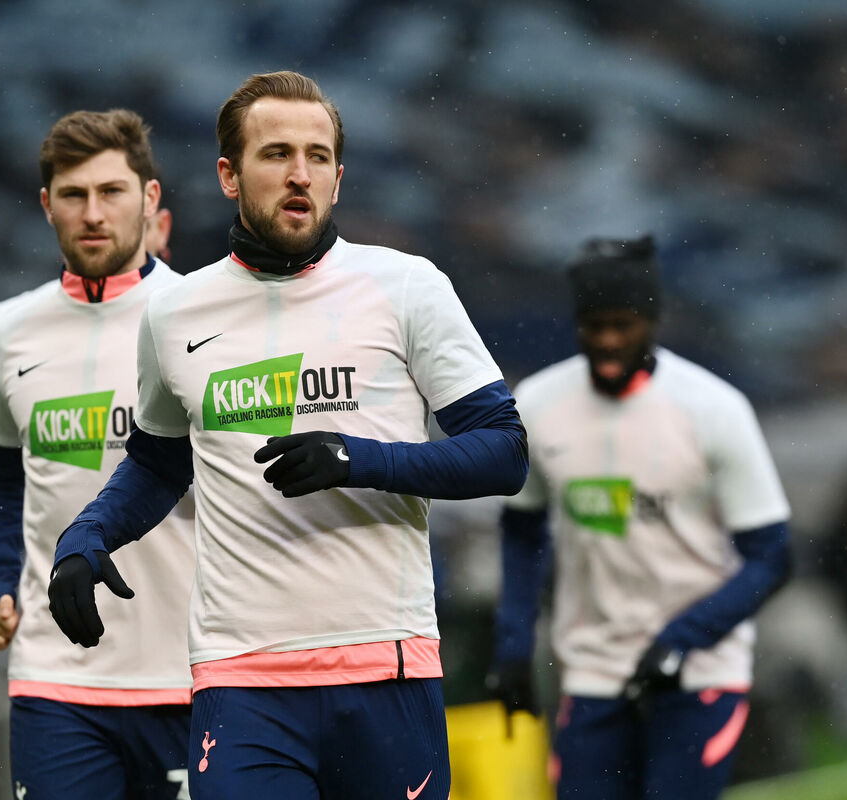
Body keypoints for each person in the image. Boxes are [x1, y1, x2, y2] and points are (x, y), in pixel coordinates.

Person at [46, 70, 529, 800]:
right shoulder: (175, 314)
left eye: (318, 156)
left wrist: (359, 459)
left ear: (338, 177)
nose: (300, 173)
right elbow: (156, 463)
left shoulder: (406, 287)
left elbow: (504, 450)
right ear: (229, 175)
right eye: (276, 154)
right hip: (242, 681)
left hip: (387, 669)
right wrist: (86, 537)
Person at [488, 235, 792, 799]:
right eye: (594, 326)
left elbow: (772, 557)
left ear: (652, 323)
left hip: (700, 672)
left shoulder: (713, 409)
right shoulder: (539, 404)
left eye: (622, 326)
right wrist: (513, 645)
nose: (607, 341)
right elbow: (522, 530)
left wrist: (683, 639)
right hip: (593, 669)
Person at [0, 109, 195, 799]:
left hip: (191, 674)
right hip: (55, 684)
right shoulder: (8, 330)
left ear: (149, 199)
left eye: (111, 191)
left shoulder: (200, 315)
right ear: (46, 204)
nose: (93, 213)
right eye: (73, 194)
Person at [0, 183, 175, 504]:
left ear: (159, 226)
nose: (101, 225)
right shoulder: (11, 324)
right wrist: (36, 487)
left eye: (128, 218)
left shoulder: (199, 322)